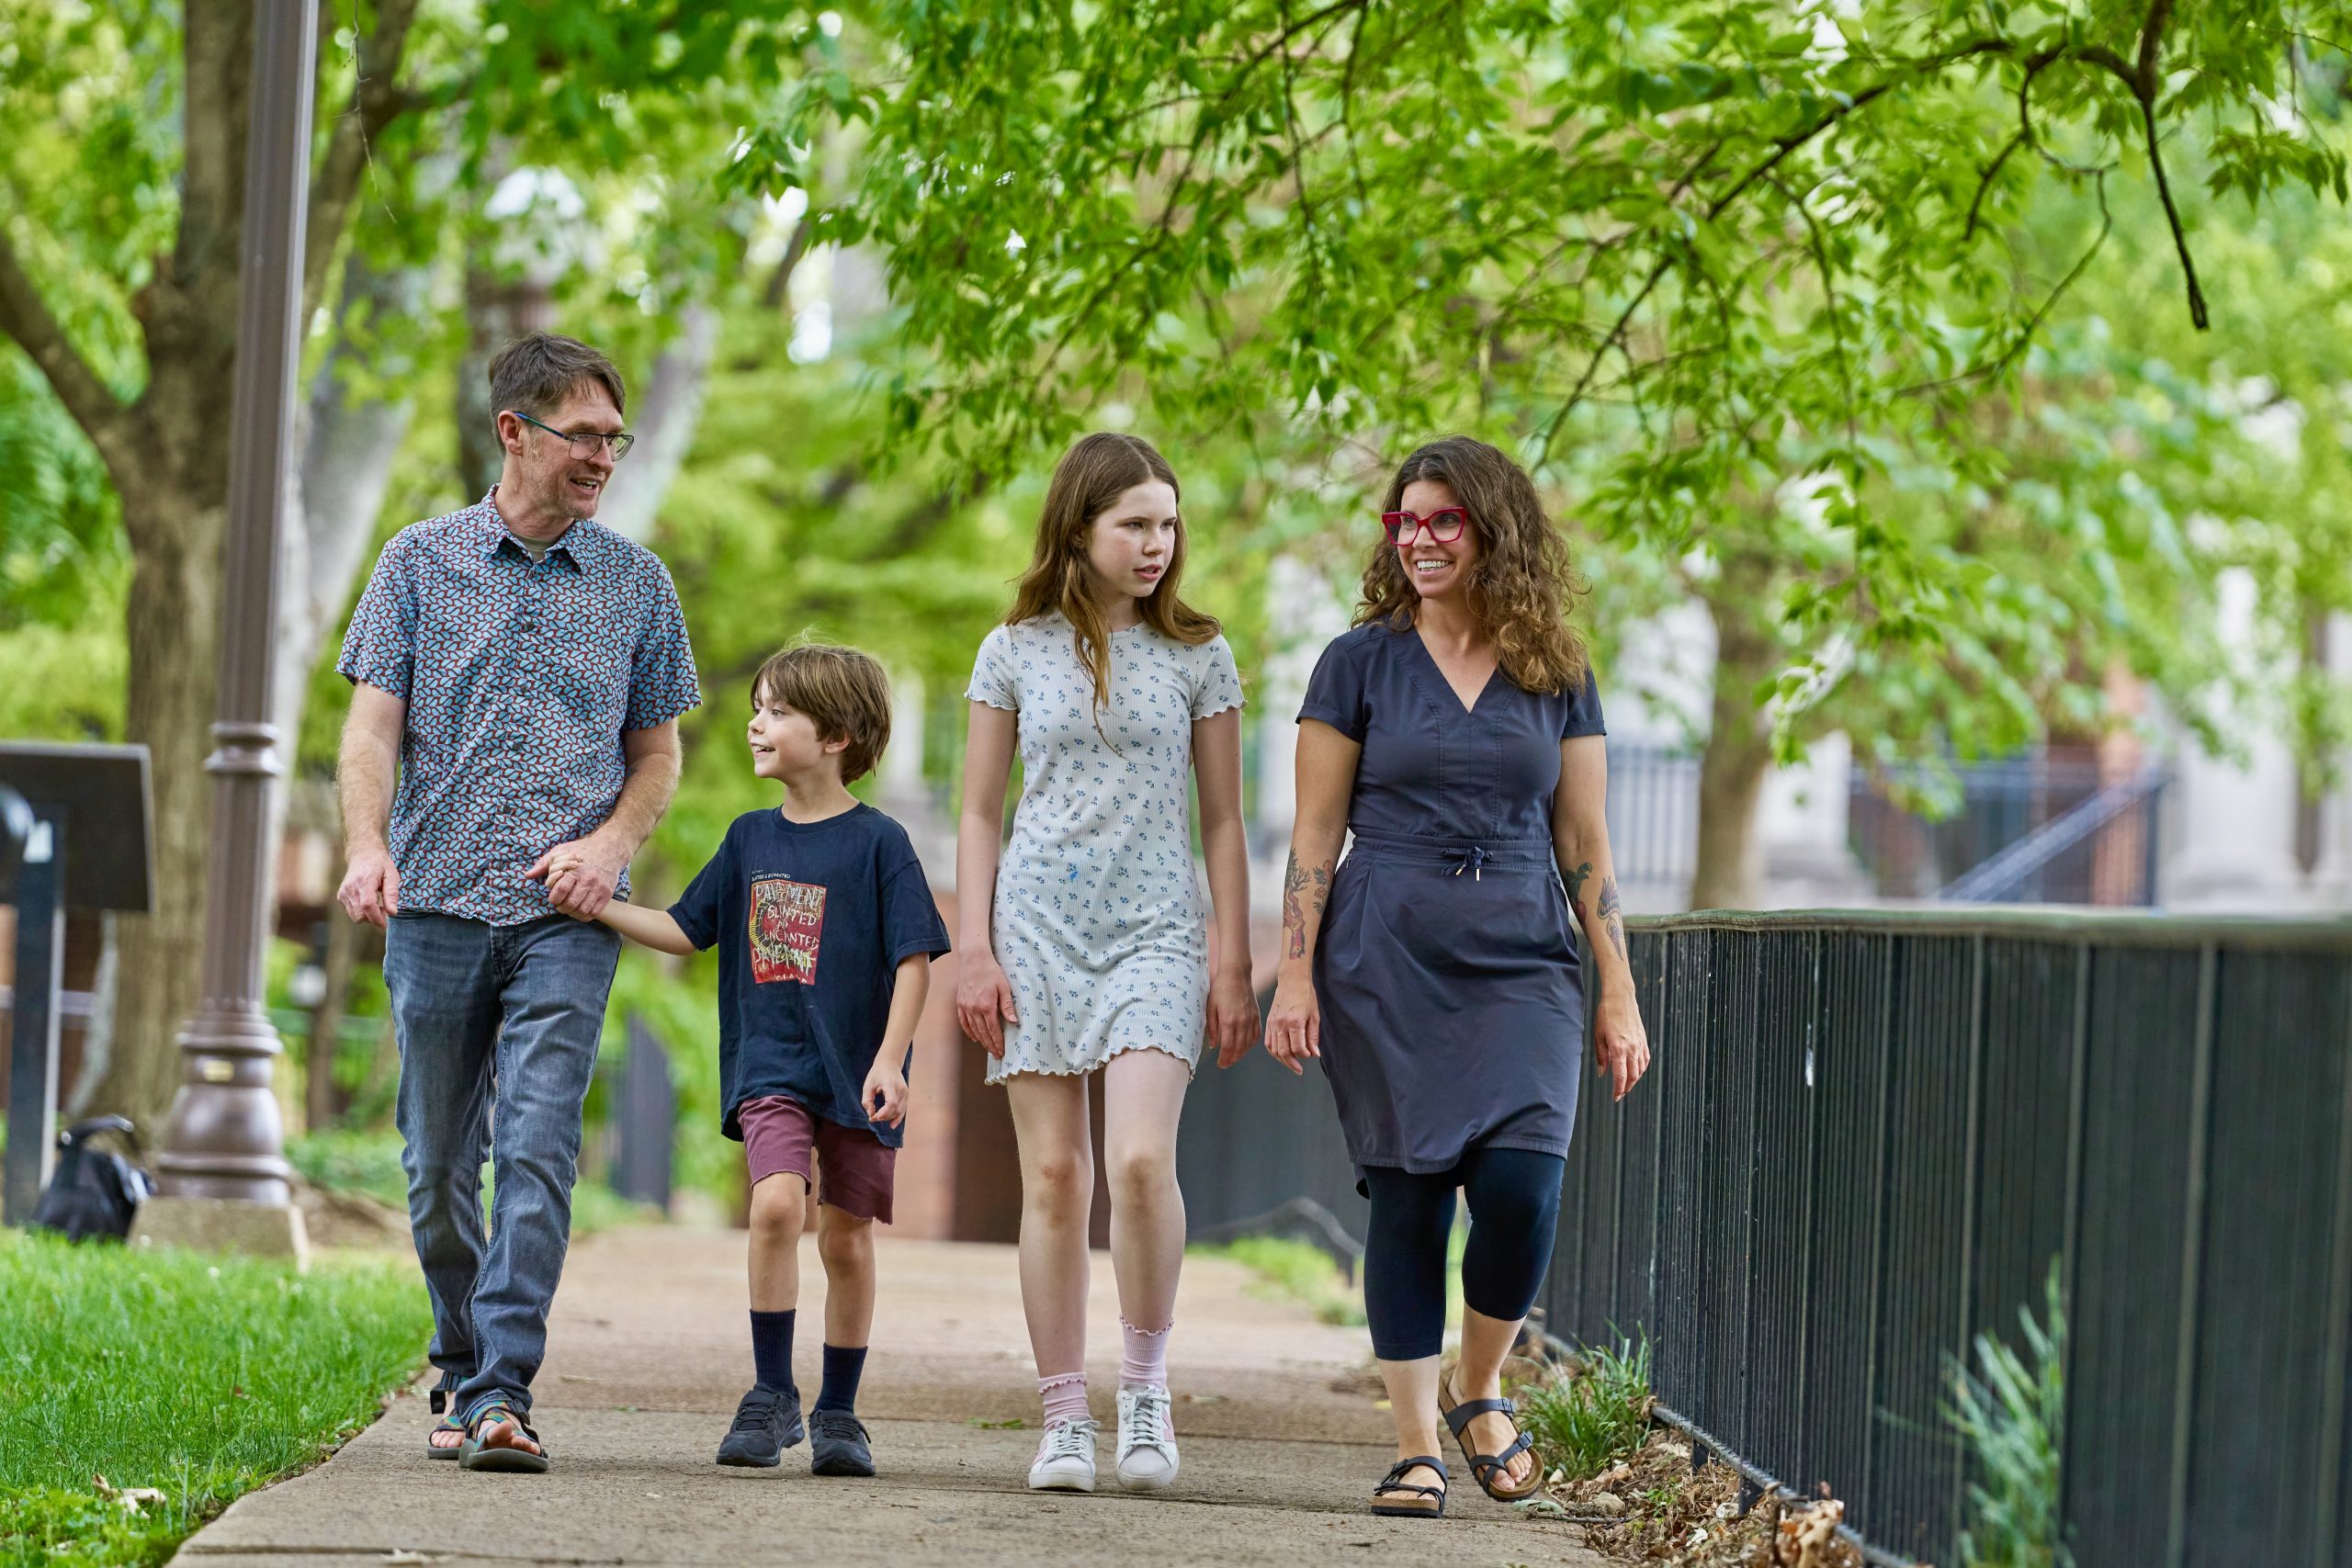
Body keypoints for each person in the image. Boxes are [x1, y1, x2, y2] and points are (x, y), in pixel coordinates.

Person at [1264, 434, 1652, 1519]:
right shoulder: (1357, 662)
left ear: (1493, 530)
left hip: (1523, 954)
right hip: (1383, 952)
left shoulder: (1557, 669)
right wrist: (1293, 976)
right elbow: (1311, 835)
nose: (1420, 539)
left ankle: (1478, 1385)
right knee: (1410, 1196)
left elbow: (1586, 843)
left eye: (1444, 520)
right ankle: (1413, 1444)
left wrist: (1616, 988)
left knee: (1524, 1189)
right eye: (1405, 521)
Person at [334, 332, 701, 1472]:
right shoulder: (416, 562)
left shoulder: (638, 585)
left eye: (613, 438)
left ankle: (500, 1392)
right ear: (515, 431)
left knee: (537, 1148)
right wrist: (364, 846)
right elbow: (371, 727)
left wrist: (607, 846)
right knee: (438, 1167)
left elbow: (659, 759)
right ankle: (458, 1364)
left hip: (566, 919)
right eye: (583, 435)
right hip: (436, 904)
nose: (602, 456)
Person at [560, 641, 950, 1478]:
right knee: (776, 1206)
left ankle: (839, 1410)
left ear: (838, 732)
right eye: (758, 707)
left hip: (860, 1074)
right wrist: (601, 904)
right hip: (772, 1064)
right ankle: (772, 1394)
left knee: (845, 1240)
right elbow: (684, 927)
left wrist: (892, 1060)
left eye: (777, 710)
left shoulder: (881, 843)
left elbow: (916, 957)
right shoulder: (747, 838)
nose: (755, 722)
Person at [955, 433, 1258, 1495]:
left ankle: (1144, 1392)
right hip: (1035, 926)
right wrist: (973, 949)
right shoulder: (1012, 648)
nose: (1155, 544)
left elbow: (1223, 823)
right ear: (1078, 527)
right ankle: (1061, 1419)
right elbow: (981, 812)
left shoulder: (1200, 654)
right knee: (1052, 1176)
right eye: (1134, 523)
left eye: (1167, 525)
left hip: (1156, 931)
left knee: (1135, 1162)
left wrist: (1233, 961)